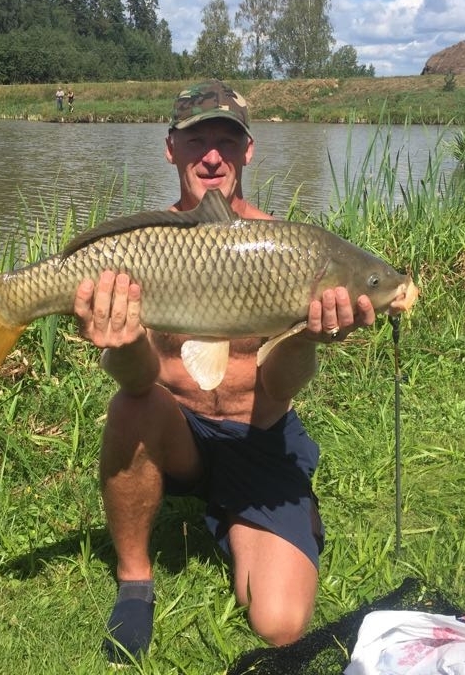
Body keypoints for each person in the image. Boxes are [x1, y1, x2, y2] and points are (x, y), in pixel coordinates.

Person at [72, 79, 419, 664]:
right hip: (175, 431)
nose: (212, 156)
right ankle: (135, 581)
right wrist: (122, 339)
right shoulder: (145, 248)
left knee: (280, 623)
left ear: (247, 151)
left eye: (226, 143)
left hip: (258, 433)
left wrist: (309, 334)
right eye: (197, 141)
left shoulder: (291, 246)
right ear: (171, 148)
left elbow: (278, 387)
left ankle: (237, 517)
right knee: (132, 403)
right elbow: (136, 377)